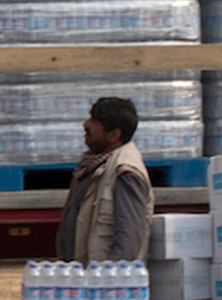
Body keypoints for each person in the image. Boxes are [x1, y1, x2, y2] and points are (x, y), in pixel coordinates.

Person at [57, 96, 152, 264]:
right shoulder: (93, 165)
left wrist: (110, 281)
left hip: (103, 283)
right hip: (85, 278)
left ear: (114, 134)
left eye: (95, 121)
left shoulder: (125, 171)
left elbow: (129, 236)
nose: (86, 124)